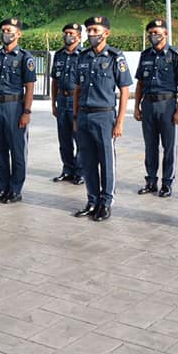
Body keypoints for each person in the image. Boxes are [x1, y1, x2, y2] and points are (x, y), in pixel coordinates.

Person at [73, 16, 132, 221]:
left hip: (104, 115)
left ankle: (106, 202)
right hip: (83, 115)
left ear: (106, 33)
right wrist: (75, 115)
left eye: (95, 31)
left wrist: (120, 121)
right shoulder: (83, 56)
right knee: (87, 160)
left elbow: (125, 90)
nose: (91, 34)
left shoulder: (116, 57)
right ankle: (92, 200)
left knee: (106, 160)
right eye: (89, 30)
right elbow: (77, 89)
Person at [133, 19, 178, 198]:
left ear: (165, 34)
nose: (153, 36)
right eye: (150, 33)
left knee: (168, 146)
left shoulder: (175, 55)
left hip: (167, 105)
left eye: (156, 32)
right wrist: (136, 106)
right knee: (150, 146)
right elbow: (140, 83)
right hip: (148, 104)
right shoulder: (145, 55)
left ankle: (167, 183)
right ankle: (150, 181)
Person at [0, 18, 37, 203]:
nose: (6, 33)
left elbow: (29, 86)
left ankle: (15, 189)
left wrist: (26, 112)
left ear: (18, 34)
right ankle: (2, 188)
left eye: (9, 30)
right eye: (4, 30)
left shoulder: (25, 57)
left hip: (14, 106)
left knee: (17, 150)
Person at [51, 23, 84, 184]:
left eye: (70, 33)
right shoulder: (59, 55)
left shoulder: (84, 55)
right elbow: (54, 81)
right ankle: (68, 169)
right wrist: (53, 103)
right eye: (65, 33)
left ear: (78, 36)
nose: (67, 36)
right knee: (64, 139)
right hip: (62, 100)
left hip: (76, 101)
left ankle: (81, 171)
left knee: (80, 138)